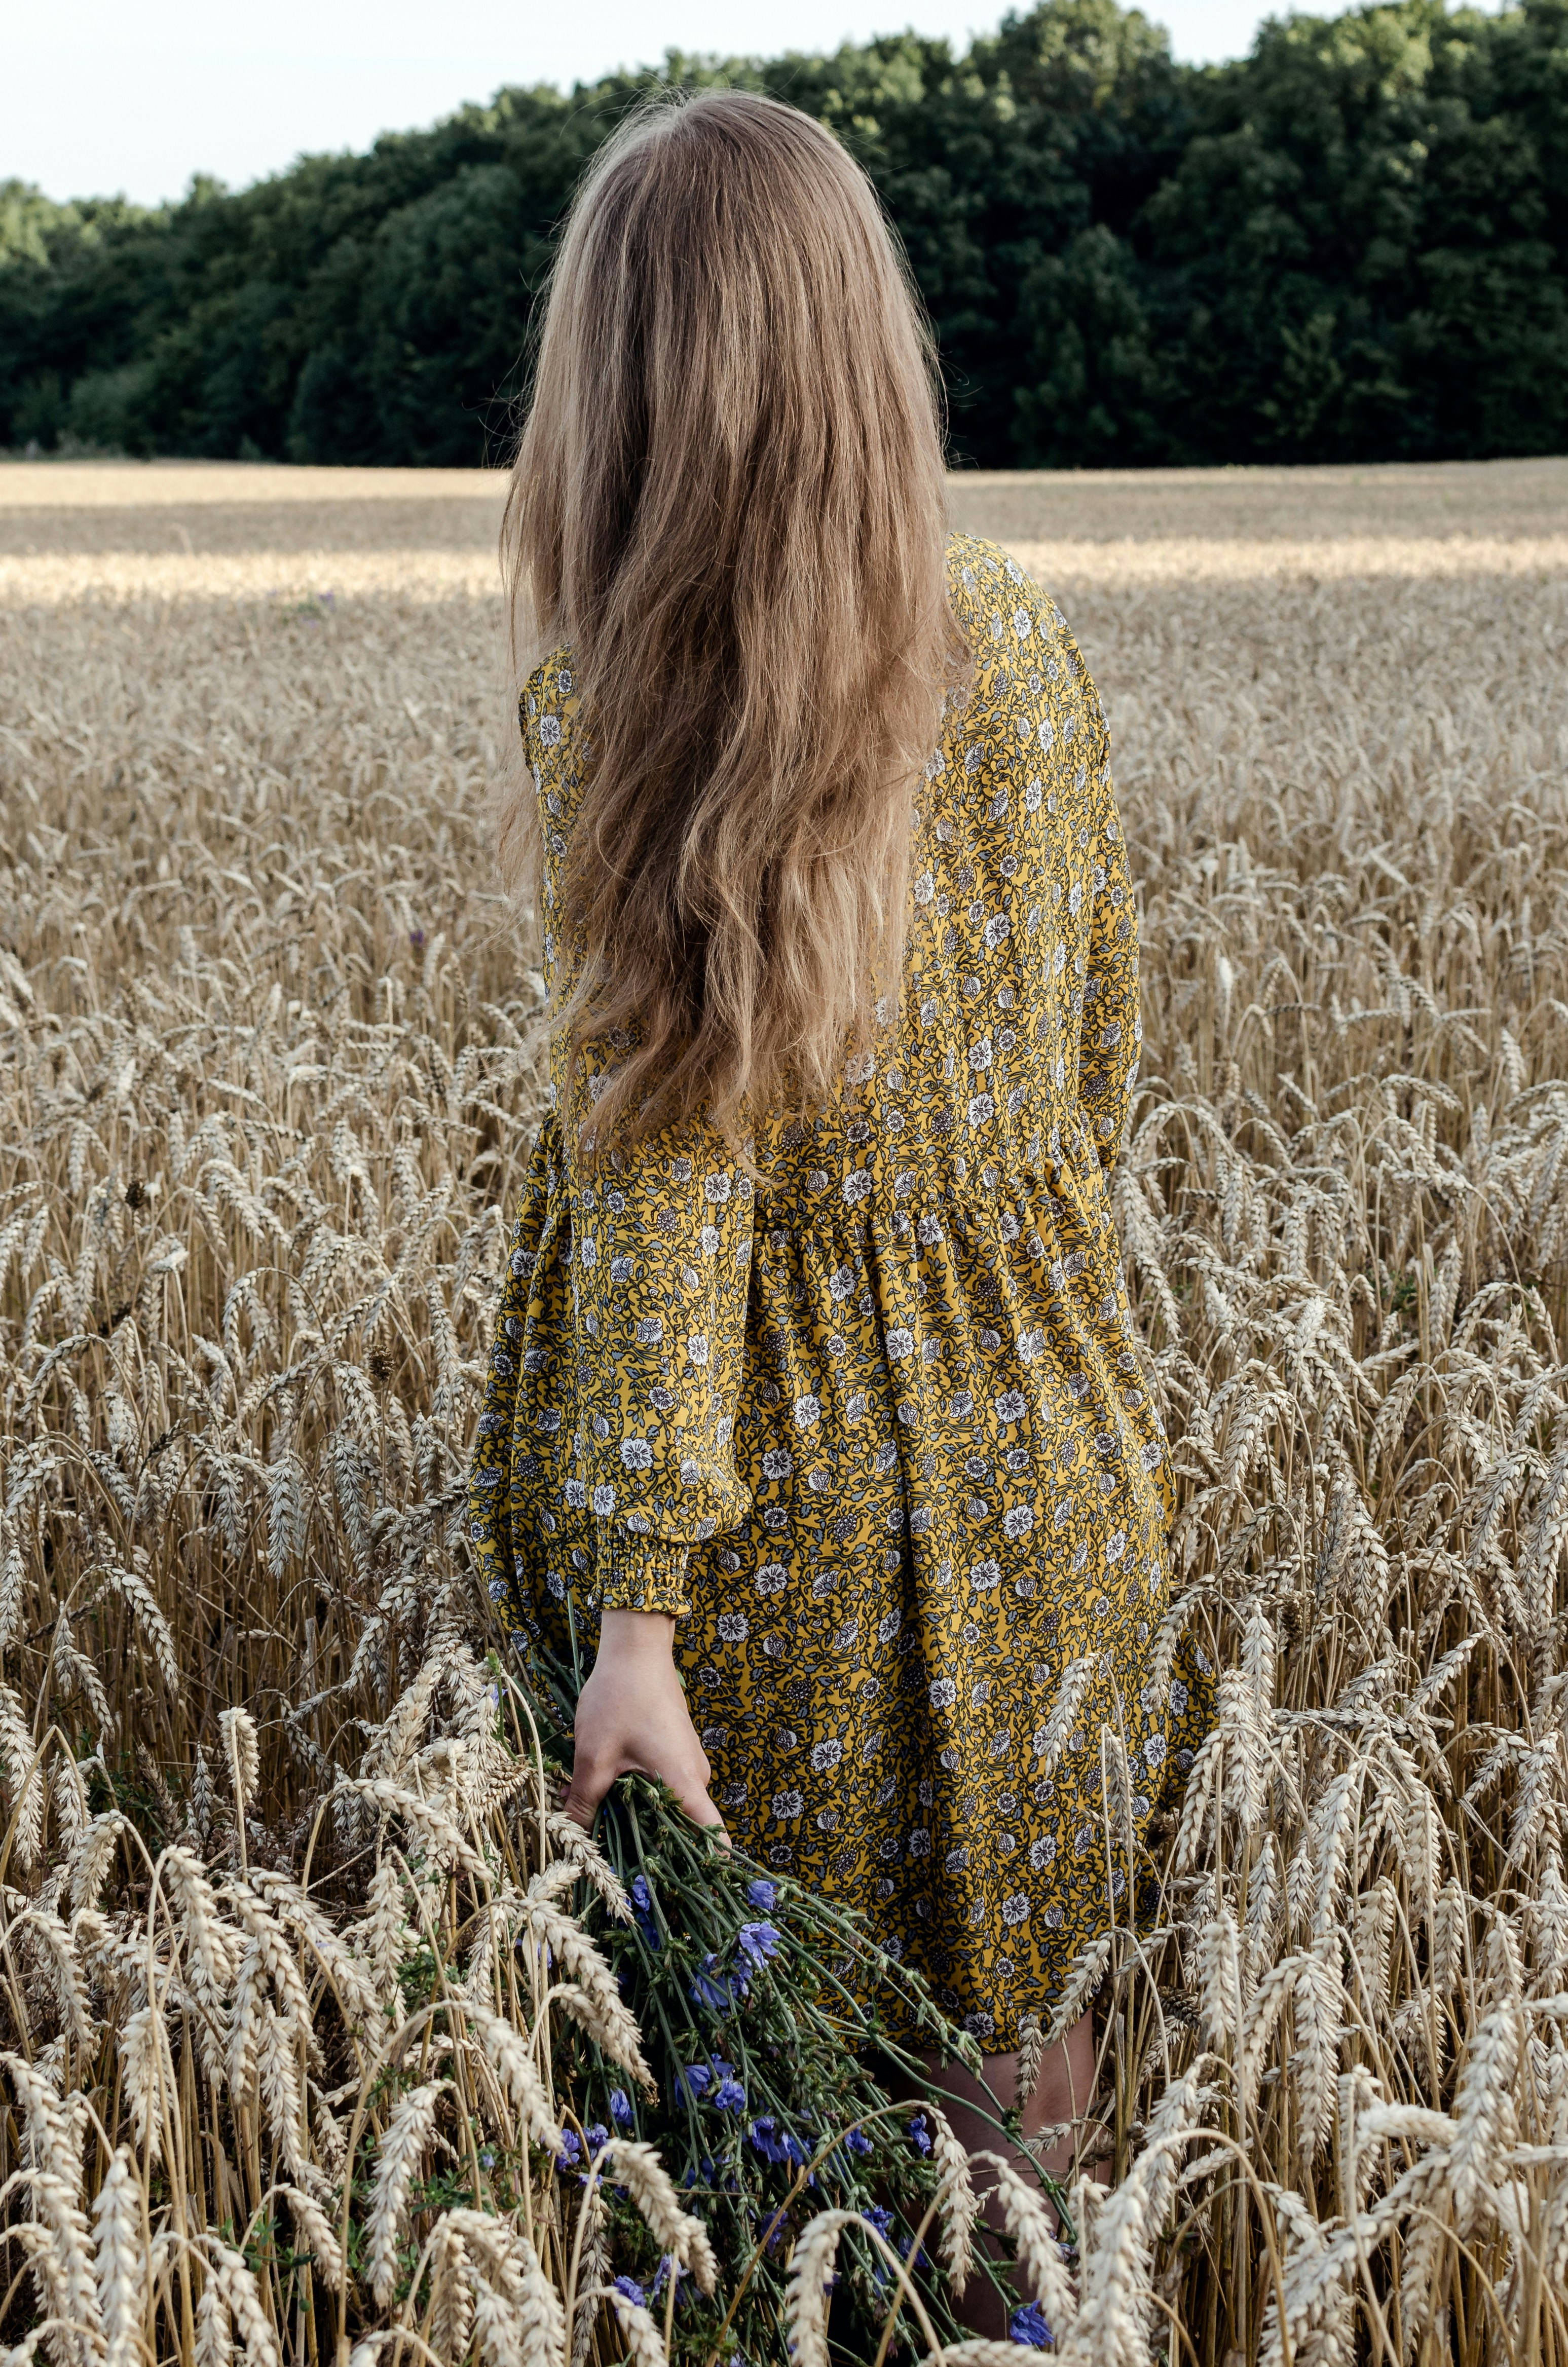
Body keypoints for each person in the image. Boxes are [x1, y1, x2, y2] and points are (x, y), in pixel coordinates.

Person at [468, 84, 1206, 2332]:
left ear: (623, 385)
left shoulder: (636, 701)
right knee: (1020, 2128)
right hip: (1060, 1480)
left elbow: (674, 1195)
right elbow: (1099, 1061)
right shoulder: (1028, 642)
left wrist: (634, 1622)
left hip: (768, 1545)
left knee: (765, 2174)